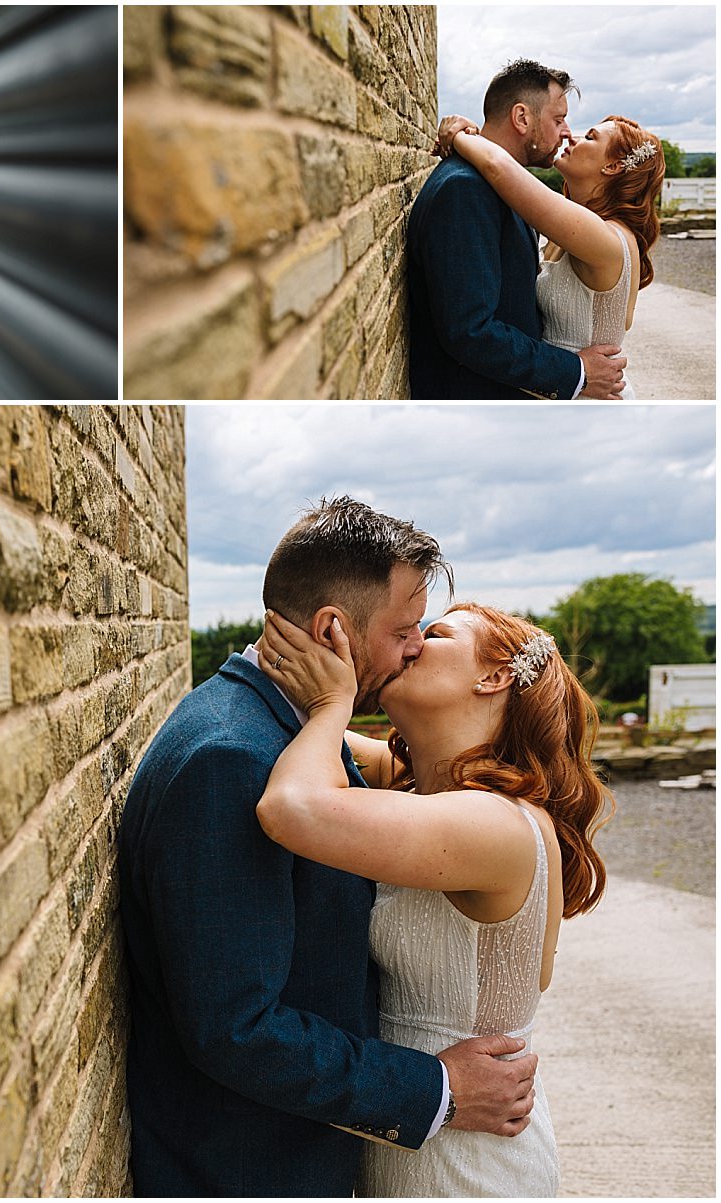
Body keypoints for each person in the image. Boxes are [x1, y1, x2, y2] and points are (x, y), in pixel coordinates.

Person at [118, 498, 541, 1198]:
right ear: (332, 631)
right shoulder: (232, 757)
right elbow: (236, 1027)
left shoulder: (284, 728)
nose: (413, 647)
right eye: (406, 629)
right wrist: (438, 1086)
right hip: (247, 1169)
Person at [256, 600, 614, 1196]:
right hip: (418, 1115)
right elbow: (297, 723)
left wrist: (331, 705)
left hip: (469, 1154)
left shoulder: (493, 823)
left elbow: (291, 807)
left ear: (494, 677)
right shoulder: (417, 787)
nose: (413, 643)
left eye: (437, 633)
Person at [407, 59, 627, 400]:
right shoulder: (465, 191)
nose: (566, 131)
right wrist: (576, 373)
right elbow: (471, 331)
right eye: (558, 119)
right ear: (522, 118)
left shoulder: (503, 188)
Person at [434, 108, 664, 401]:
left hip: (587, 398)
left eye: (590, 138)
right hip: (557, 390)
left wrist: (459, 136)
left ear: (613, 166)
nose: (572, 137)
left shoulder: (605, 239)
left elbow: (498, 168)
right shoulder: (574, 233)